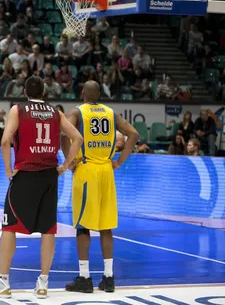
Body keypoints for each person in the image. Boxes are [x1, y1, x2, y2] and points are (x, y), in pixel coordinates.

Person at [0, 76, 83, 299]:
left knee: (9, 228)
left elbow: (5, 140)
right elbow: (77, 138)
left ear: (25, 91)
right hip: (49, 176)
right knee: (48, 230)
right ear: (44, 92)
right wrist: (66, 165)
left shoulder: (18, 110)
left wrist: (9, 171)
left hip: (25, 174)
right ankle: (43, 283)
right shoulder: (56, 112)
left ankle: (3, 282)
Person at [62, 80, 138, 293]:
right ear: (99, 94)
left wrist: (69, 163)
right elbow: (134, 134)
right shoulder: (111, 113)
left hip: (86, 170)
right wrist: (119, 161)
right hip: (107, 170)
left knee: (83, 226)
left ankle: (85, 278)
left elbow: (63, 135)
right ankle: (109, 277)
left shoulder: (77, 112)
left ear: (83, 92)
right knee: (106, 225)